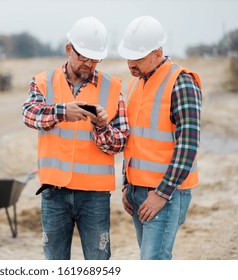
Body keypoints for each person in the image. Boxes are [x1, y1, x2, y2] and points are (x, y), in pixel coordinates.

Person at [21, 16, 129, 260]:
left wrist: (101, 126)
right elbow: (28, 114)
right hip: (54, 192)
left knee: (98, 264)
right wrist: (62, 111)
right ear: (69, 49)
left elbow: (120, 142)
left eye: (95, 59)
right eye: (83, 57)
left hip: (94, 196)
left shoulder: (112, 88)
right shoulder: (43, 82)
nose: (89, 64)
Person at [117, 15, 202, 260]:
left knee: (153, 262)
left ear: (158, 52)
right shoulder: (137, 83)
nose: (130, 63)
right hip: (138, 192)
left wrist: (162, 193)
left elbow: (188, 144)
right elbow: (136, 140)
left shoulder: (181, 82)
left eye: (138, 57)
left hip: (166, 193)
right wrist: (127, 184)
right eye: (128, 56)